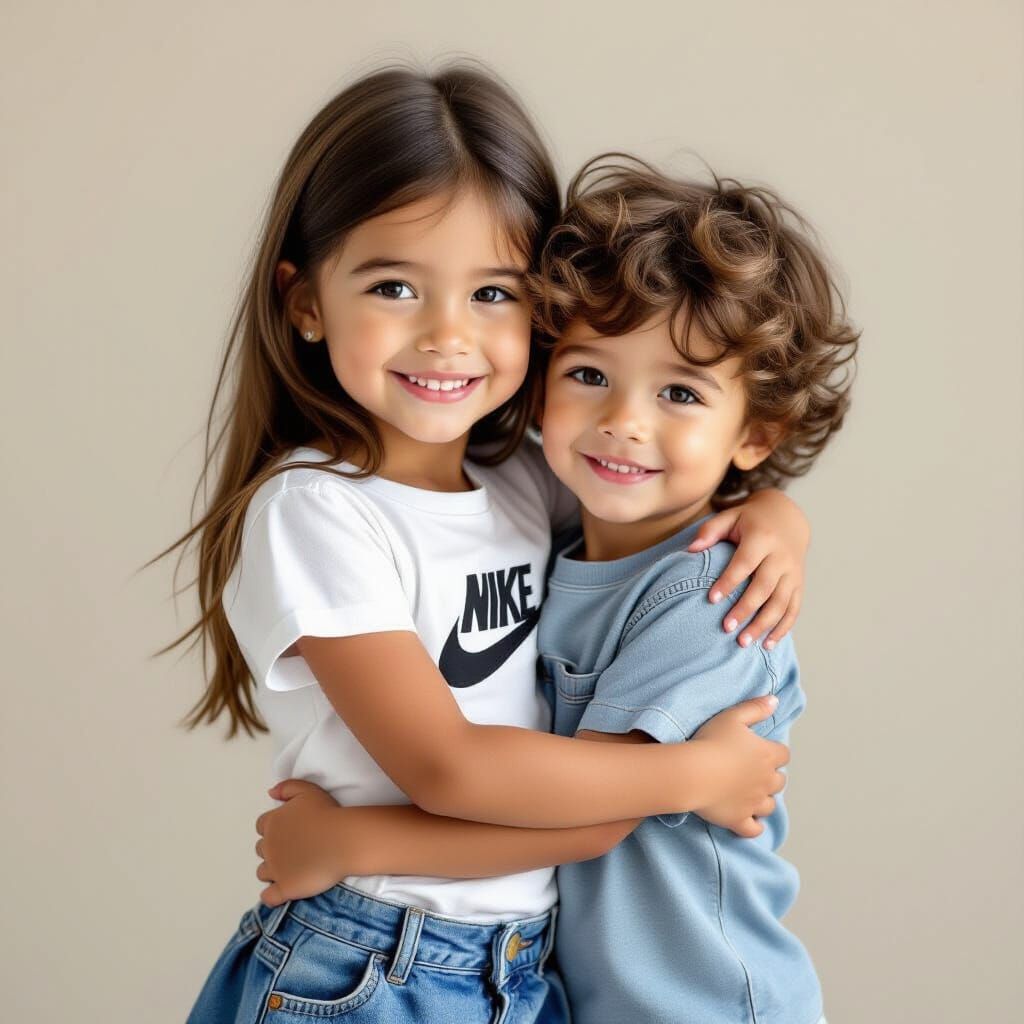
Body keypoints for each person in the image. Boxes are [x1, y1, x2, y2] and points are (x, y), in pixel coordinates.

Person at [163, 63, 811, 1023]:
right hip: (372, 959)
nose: (446, 336)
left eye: (495, 294)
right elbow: (453, 771)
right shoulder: (317, 511)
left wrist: (772, 512)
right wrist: (696, 775)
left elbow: (654, 490)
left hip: (517, 969)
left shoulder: (521, 483)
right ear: (304, 301)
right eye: (394, 286)